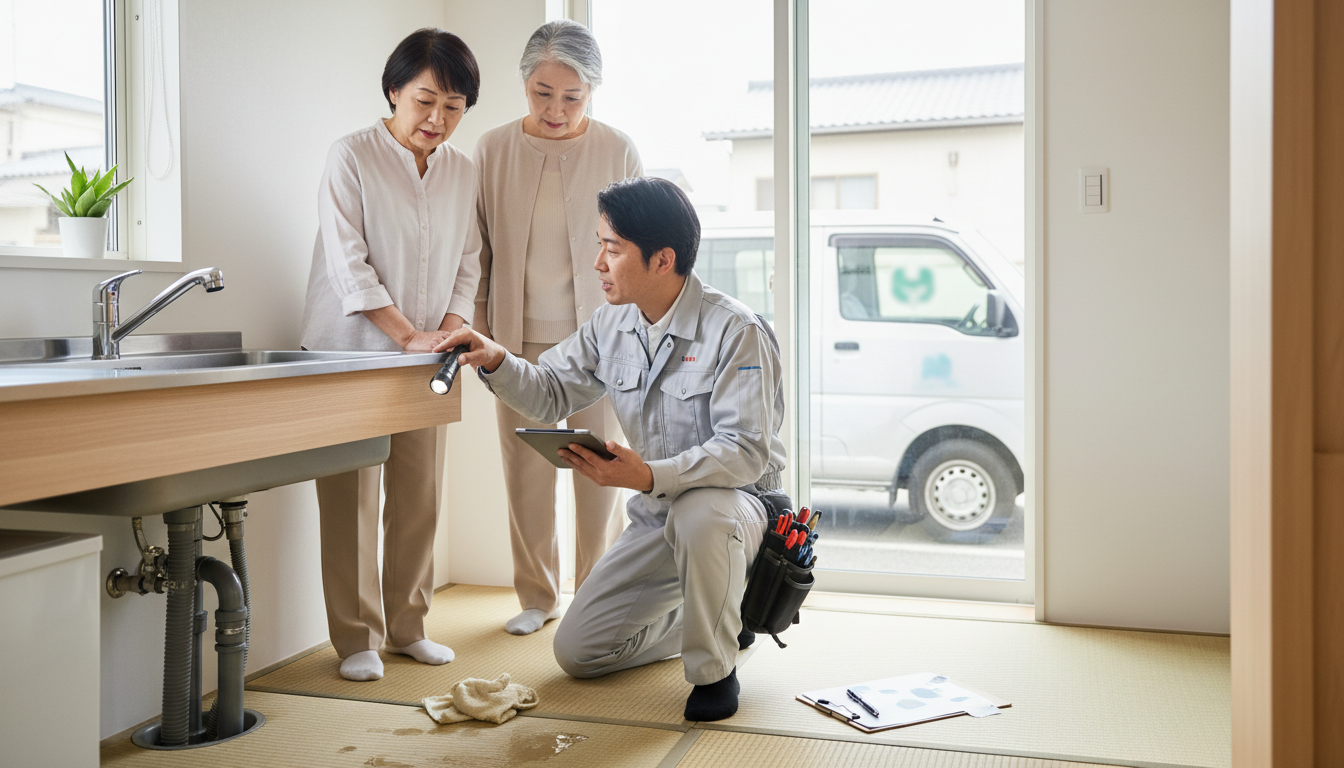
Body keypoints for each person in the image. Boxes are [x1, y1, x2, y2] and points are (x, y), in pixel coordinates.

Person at [439, 177, 786, 721]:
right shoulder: (612, 323)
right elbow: (550, 390)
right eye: (599, 244)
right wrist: (495, 359)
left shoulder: (736, 329)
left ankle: (714, 673)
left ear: (661, 259)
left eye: (613, 248)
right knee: (579, 652)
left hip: (735, 508)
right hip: (656, 513)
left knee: (701, 513)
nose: (597, 263)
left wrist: (647, 474)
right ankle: (721, 613)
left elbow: (745, 452)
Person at [299, 28, 482, 682]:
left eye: (454, 106)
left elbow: (468, 261)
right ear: (393, 92)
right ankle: (356, 638)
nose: (437, 119)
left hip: (431, 353)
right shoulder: (350, 156)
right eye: (425, 101)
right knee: (351, 497)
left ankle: (408, 626)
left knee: (419, 493)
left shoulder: (464, 170)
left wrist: (452, 330)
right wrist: (407, 333)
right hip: (349, 351)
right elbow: (350, 263)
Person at [472, 20, 642, 636]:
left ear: (592, 92)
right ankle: (536, 595)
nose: (555, 109)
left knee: (599, 470)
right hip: (516, 341)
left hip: (600, 341)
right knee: (527, 472)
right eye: (543, 93)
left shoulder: (616, 149)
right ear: (524, 84)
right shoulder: (491, 149)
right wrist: (484, 336)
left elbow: (637, 249)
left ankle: (594, 594)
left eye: (572, 97)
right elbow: (479, 251)